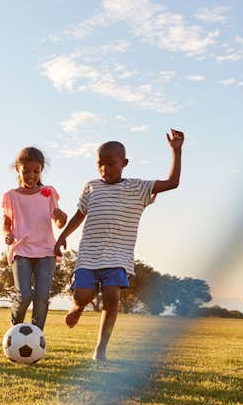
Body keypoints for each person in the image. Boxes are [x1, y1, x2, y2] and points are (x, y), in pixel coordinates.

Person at [55, 129, 185, 361]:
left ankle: (101, 348)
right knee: (82, 295)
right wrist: (62, 236)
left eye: (111, 164)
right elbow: (79, 214)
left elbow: (173, 183)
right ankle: (77, 307)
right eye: (100, 164)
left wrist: (176, 151)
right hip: (89, 255)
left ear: (124, 163)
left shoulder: (138, 188)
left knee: (112, 296)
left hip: (118, 256)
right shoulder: (91, 186)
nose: (104, 169)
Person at [2, 147, 67, 331]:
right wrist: (7, 234)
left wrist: (61, 216)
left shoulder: (48, 193)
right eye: (26, 171)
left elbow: (59, 223)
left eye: (36, 171)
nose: (31, 175)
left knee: (41, 297)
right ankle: (15, 331)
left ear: (41, 170)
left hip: (46, 251)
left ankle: (36, 335)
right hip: (21, 250)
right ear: (18, 169)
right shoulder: (11, 197)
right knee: (24, 296)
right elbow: (6, 223)